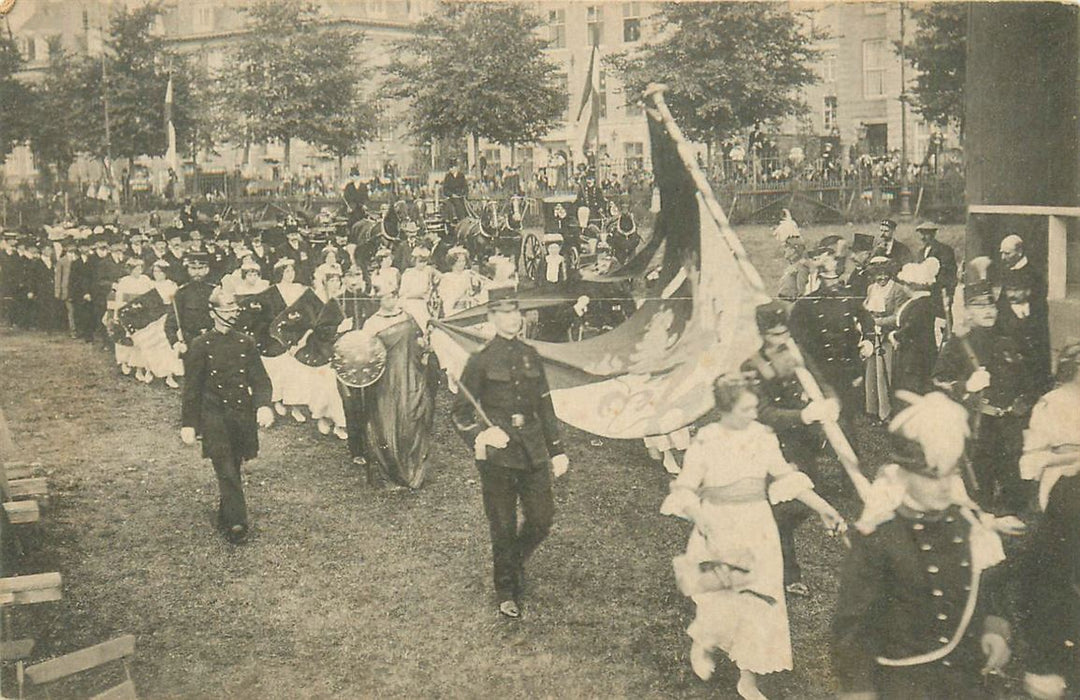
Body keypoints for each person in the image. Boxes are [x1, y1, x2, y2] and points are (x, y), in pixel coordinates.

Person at [661, 378, 844, 699]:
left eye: (753, 407)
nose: (752, 414)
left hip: (757, 525)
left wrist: (824, 508)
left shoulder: (763, 436)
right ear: (725, 410)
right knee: (720, 597)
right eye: (745, 409)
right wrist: (702, 520)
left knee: (760, 599)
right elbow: (686, 488)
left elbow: (787, 478)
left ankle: (748, 678)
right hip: (718, 525)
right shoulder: (707, 440)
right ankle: (703, 645)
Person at [832, 391, 1016, 700]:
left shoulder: (966, 525)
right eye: (932, 476)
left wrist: (994, 628)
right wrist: (858, 689)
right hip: (904, 683)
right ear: (903, 474)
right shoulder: (880, 538)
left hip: (965, 680)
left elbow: (988, 586)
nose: (945, 486)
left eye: (951, 473)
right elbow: (852, 627)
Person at [451, 290, 570, 619]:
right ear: (491, 317)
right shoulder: (480, 359)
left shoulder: (531, 354)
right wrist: (483, 434)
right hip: (498, 458)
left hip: (532, 451)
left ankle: (512, 561)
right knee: (502, 526)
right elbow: (460, 413)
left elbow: (545, 405)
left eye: (515, 311)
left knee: (541, 520)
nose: (512, 318)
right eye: (504, 313)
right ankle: (506, 588)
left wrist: (556, 450)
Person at [742, 302, 842, 598]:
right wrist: (802, 416)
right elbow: (761, 412)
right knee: (784, 510)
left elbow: (819, 381)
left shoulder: (794, 354)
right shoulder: (752, 366)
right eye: (774, 334)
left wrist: (831, 401)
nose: (781, 338)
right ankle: (786, 574)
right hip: (772, 445)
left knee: (797, 502)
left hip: (802, 444)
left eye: (785, 331)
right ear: (762, 334)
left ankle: (771, 564)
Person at [933, 263, 1038, 514]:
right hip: (978, 428)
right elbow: (938, 381)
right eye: (980, 306)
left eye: (991, 305)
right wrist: (965, 386)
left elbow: (1029, 382)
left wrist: (1023, 404)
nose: (988, 311)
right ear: (967, 310)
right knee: (979, 492)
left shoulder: (1008, 341)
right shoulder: (957, 345)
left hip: (1010, 428)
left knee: (1015, 491)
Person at [180, 287, 274, 544]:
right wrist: (189, 423)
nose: (233, 314)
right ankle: (237, 523)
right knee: (225, 466)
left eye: (234, 309)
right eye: (226, 309)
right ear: (213, 313)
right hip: (213, 414)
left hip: (241, 414)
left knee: (232, 466)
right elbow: (192, 389)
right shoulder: (200, 345)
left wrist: (264, 405)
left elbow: (261, 380)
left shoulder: (246, 342)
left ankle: (225, 515)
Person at [1018, 342, 1080, 699]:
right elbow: (1031, 462)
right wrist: (1070, 457)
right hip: (1063, 492)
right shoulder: (1052, 404)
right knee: (1056, 573)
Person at [788, 256, 873, 424]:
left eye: (836, 279)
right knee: (826, 415)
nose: (834, 284)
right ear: (819, 279)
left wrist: (868, 340)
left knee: (848, 412)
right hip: (821, 366)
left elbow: (867, 319)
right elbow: (795, 332)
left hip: (848, 364)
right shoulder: (806, 304)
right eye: (829, 280)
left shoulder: (848, 297)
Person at [862, 257, 910, 421]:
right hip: (873, 336)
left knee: (886, 373)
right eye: (878, 275)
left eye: (885, 274)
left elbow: (899, 316)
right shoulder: (871, 289)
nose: (882, 278)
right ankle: (872, 410)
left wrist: (877, 322)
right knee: (872, 372)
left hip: (888, 337)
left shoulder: (897, 290)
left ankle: (887, 412)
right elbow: (866, 308)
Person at [890, 258, 941, 395]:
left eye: (905, 284)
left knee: (914, 390)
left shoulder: (921, 304)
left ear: (912, 285)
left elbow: (911, 328)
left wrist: (895, 335)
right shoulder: (919, 302)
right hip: (915, 353)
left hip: (916, 356)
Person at [914, 222, 957, 325]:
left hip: (940, 293)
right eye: (921, 234)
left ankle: (946, 340)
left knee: (942, 321)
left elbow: (949, 273)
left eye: (926, 234)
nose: (923, 237)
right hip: (925, 294)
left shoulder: (944, 250)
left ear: (933, 234)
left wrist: (948, 293)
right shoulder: (921, 252)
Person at [845, 233, 876, 299]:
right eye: (852, 252)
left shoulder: (873, 273)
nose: (852, 256)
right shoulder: (857, 271)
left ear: (868, 254)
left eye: (856, 252)